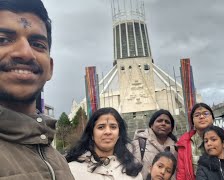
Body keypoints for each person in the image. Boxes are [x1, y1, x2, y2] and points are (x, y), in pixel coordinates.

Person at [0, 0, 74, 179]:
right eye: (3, 40)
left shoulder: (58, 161)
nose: (25, 53)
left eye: (38, 44)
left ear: (50, 67)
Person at [66, 107, 143, 180]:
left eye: (113, 127)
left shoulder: (133, 171)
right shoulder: (72, 171)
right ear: (92, 134)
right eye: (101, 127)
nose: (108, 132)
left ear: (119, 134)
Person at [176, 103, 224, 180]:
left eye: (206, 113)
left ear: (213, 118)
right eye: (197, 115)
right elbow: (181, 175)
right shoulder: (184, 145)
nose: (201, 117)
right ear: (192, 122)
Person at [131, 109, 177, 180]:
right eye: (159, 121)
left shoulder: (176, 148)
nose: (163, 123)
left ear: (171, 128)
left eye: (167, 122)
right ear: (151, 125)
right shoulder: (138, 144)